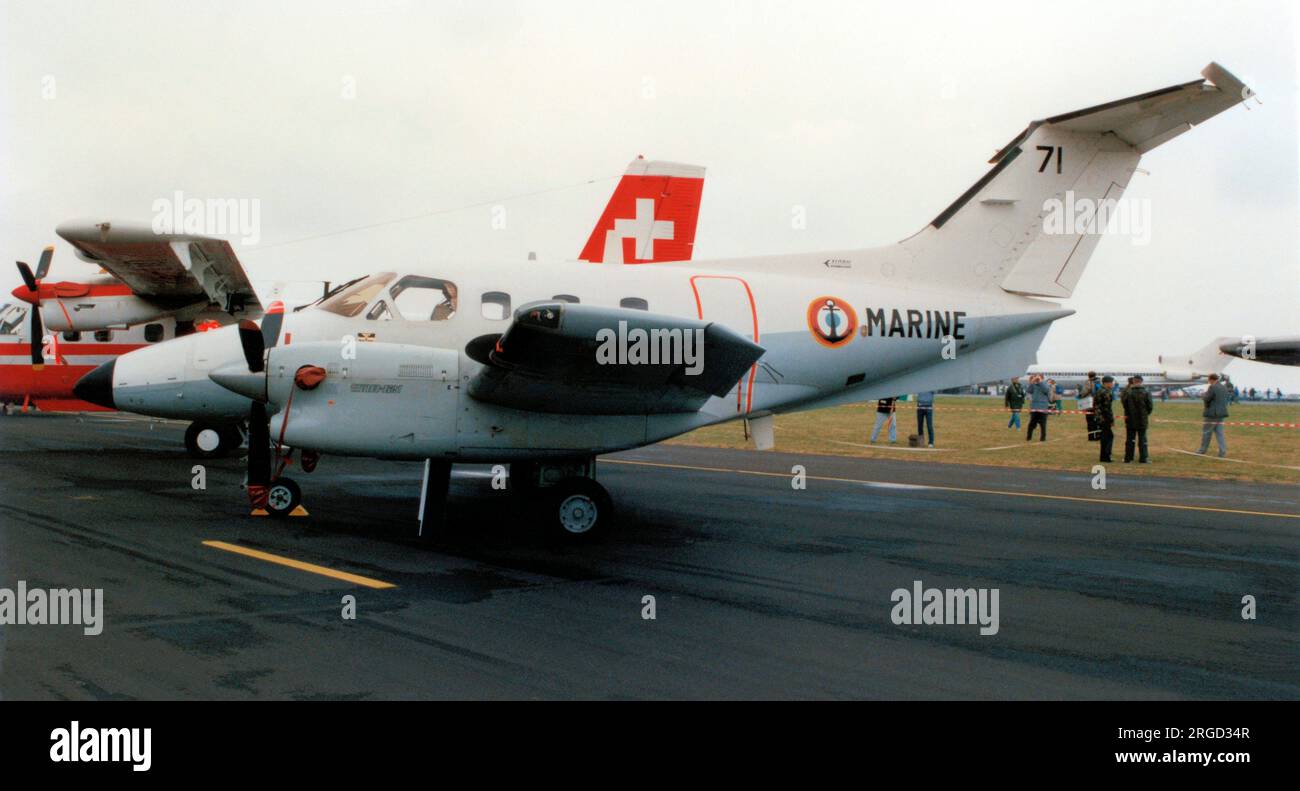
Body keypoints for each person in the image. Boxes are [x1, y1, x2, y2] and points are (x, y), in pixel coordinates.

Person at [1120, 374, 1153, 463]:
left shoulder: (1128, 392)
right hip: (1142, 419)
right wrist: (1145, 414)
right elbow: (1150, 406)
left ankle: (1128, 458)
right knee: (1142, 439)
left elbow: (1124, 404)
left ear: (1133, 381)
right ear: (1141, 381)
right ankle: (1144, 458)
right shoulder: (1146, 392)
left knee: (1130, 439)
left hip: (1130, 418)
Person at [1197, 373, 1230, 457]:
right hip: (1221, 414)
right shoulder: (1223, 387)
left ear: (1211, 379)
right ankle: (1222, 452)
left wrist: (1203, 395)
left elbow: (1207, 398)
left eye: (1209, 380)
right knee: (1220, 433)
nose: (1209, 382)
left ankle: (1202, 450)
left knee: (1207, 432)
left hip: (1212, 414)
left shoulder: (1212, 387)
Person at [1095, 376, 1116, 462]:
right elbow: (1107, 408)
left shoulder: (1100, 390)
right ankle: (1106, 457)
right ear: (1106, 383)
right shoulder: (1106, 392)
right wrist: (1111, 420)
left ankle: (1103, 457)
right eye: (1111, 382)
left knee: (1104, 436)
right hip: (1104, 418)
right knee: (1108, 437)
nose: (1112, 384)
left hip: (1099, 417)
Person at [1026, 374, 1052, 441]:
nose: (1037, 379)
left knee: (1043, 425)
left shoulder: (1046, 385)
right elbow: (1029, 390)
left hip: (1043, 408)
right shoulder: (1034, 385)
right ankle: (1029, 437)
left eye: (1038, 378)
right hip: (1034, 408)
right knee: (1031, 424)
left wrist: (1040, 382)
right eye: (1036, 377)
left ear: (1042, 378)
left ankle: (1043, 438)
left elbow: (1046, 390)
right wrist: (1031, 382)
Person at [1078, 371, 1098, 441]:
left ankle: (1091, 437)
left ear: (1088, 376)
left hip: (1090, 403)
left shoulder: (1088, 382)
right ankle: (1097, 436)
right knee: (1097, 421)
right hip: (1098, 403)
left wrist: (1081, 395)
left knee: (1090, 421)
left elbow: (1085, 391)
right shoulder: (1099, 381)